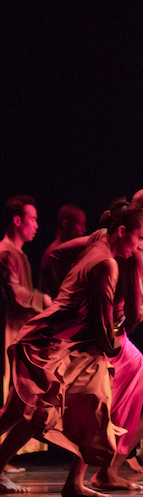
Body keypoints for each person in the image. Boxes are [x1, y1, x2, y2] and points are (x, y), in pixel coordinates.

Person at [0, 202, 143, 497]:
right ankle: (78, 481)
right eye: (140, 238)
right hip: (50, 342)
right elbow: (102, 321)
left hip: (52, 338)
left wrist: (66, 295)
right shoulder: (109, 264)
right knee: (26, 412)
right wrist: (112, 343)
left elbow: (56, 253)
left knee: (27, 413)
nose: (142, 246)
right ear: (122, 231)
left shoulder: (97, 238)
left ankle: (74, 483)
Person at [42, 189, 143, 490]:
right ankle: (92, 474)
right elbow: (137, 311)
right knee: (108, 404)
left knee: (134, 400)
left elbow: (55, 255)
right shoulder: (136, 255)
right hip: (109, 335)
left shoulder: (104, 235)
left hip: (111, 333)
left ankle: (103, 471)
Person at [1, 195, 53, 471]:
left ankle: (4, 457)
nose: (36, 225)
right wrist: (41, 299)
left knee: (16, 393)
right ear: (17, 220)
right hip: (9, 329)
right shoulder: (5, 252)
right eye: (32, 219)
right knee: (9, 389)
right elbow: (14, 293)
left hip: (20, 329)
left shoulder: (17, 254)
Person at [39, 204, 87, 298]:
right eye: (80, 224)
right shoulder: (54, 254)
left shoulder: (64, 253)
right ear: (65, 224)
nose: (84, 230)